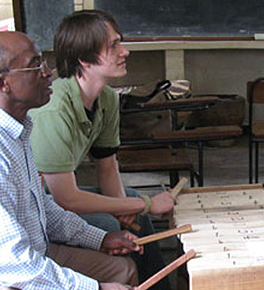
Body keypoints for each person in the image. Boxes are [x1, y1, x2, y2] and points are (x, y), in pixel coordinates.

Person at [0, 32, 142, 290]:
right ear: (2, 83)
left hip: (27, 254)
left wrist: (99, 238)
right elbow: (11, 264)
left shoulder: (15, 131)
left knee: (121, 270)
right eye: (35, 66)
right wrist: (93, 288)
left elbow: (40, 207)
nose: (47, 73)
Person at [28, 10, 174, 289]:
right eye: (114, 45)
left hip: (59, 201)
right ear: (84, 58)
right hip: (41, 209)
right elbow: (65, 200)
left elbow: (107, 165)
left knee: (131, 218)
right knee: (112, 223)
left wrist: (126, 211)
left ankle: (157, 286)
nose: (125, 51)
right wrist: (145, 204)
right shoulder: (55, 109)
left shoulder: (106, 98)